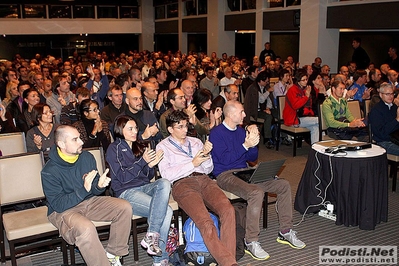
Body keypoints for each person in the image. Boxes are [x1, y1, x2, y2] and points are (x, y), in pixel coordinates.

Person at [209, 101, 305, 261]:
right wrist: (246, 145)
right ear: (231, 114)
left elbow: (252, 158)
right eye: (241, 112)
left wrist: (253, 142)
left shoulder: (240, 132)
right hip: (225, 175)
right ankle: (251, 240)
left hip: (245, 171)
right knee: (256, 192)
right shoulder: (216, 133)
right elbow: (225, 160)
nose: (244, 115)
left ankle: (286, 231)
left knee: (283, 184)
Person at [41, 125, 132, 266]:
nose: (82, 142)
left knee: (124, 207)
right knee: (86, 228)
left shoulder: (87, 157)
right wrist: (84, 189)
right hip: (63, 210)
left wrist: (98, 186)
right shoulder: (49, 171)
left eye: (80, 138)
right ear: (61, 144)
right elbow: (58, 204)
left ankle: (113, 255)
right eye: (75, 139)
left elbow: (94, 189)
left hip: (88, 201)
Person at [156, 110, 238, 266]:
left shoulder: (195, 142)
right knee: (206, 222)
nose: (185, 130)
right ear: (170, 129)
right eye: (180, 127)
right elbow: (166, 175)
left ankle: (228, 259)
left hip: (204, 179)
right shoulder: (163, 146)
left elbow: (208, 168)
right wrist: (192, 164)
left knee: (228, 210)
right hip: (182, 184)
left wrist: (206, 157)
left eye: (186, 126)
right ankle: (229, 263)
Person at [106, 115, 172, 266]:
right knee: (166, 211)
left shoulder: (139, 146)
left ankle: (151, 236)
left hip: (143, 187)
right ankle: (159, 260)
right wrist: (143, 161)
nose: (135, 131)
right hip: (126, 192)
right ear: (120, 130)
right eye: (130, 128)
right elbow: (122, 177)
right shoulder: (114, 148)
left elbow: (147, 177)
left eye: (135, 128)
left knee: (164, 182)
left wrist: (150, 166)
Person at [283, 70, 319, 144]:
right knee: (320, 121)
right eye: (303, 80)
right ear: (298, 81)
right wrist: (306, 96)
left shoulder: (305, 89)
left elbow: (311, 105)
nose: (306, 81)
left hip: (304, 116)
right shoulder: (292, 90)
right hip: (294, 118)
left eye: (306, 79)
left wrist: (309, 95)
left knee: (315, 128)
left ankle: (315, 150)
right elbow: (295, 106)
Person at [369, 82, 399, 155]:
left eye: (392, 94)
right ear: (381, 95)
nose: (390, 96)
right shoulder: (376, 110)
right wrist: (397, 120)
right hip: (383, 142)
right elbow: (381, 133)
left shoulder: (394, 107)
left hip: (395, 139)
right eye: (387, 94)